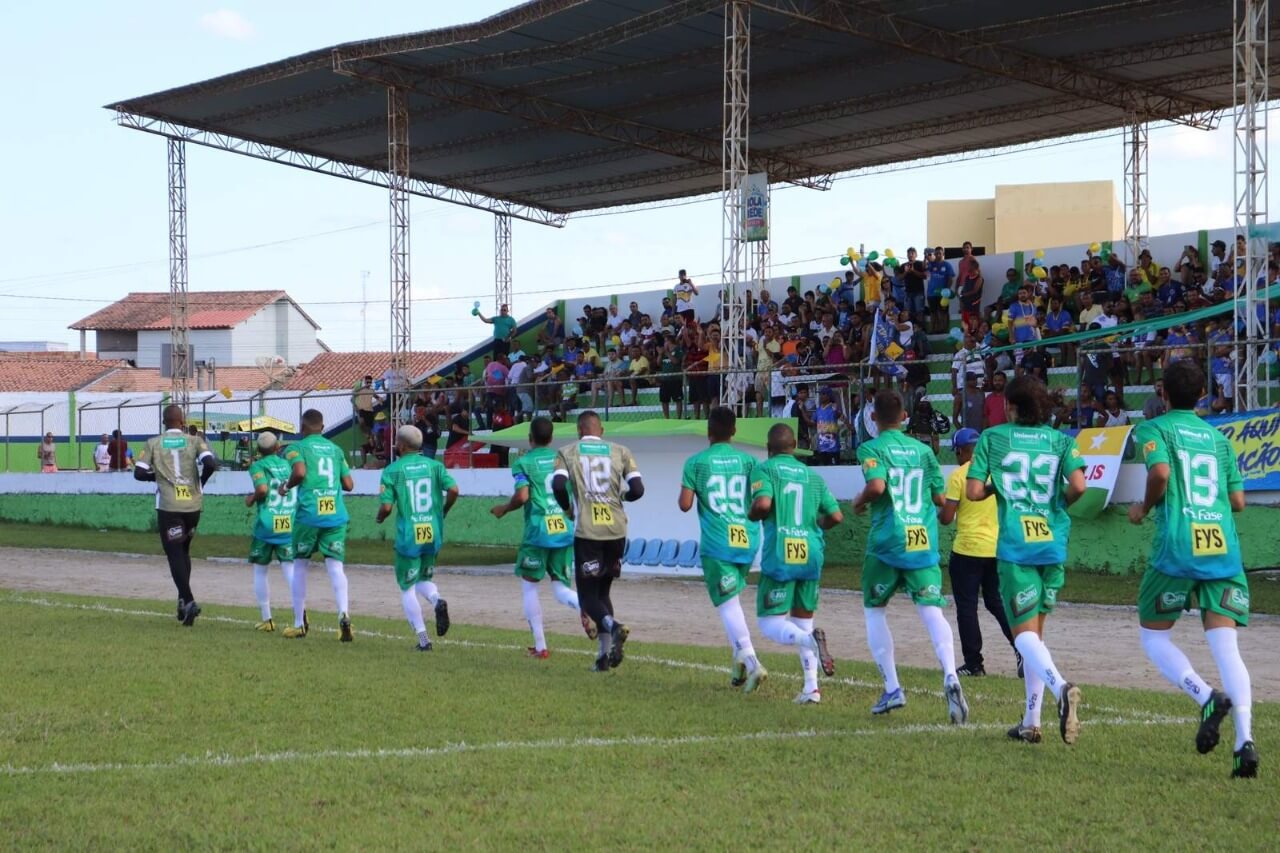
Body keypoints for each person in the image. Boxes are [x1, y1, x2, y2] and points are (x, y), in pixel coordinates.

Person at [1128, 360, 1258, 778]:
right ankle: (1244, 743)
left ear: (1161, 391)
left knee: (1153, 636)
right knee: (1227, 649)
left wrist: (1144, 507)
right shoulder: (1219, 440)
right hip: (1220, 547)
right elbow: (1237, 503)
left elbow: (1162, 473)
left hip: (1178, 549)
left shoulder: (1154, 428)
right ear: (1201, 395)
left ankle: (1204, 695)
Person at [967, 376, 1087, 745]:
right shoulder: (1062, 441)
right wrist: (1057, 505)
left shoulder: (993, 437)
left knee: (1023, 637)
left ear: (1013, 407)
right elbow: (1080, 485)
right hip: (1051, 543)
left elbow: (973, 492)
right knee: (1035, 635)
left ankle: (1061, 688)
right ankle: (1030, 721)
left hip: (1017, 546)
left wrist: (993, 487)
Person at [851, 390, 968, 723]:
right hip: (922, 539)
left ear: (873, 418)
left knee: (875, 612)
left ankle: (892, 687)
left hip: (888, 541)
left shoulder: (870, 448)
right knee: (932, 612)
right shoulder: (925, 451)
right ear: (904, 417)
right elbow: (939, 498)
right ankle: (950, 675)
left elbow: (876, 487)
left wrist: (858, 503)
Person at [747, 423, 842, 704]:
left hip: (782, 552)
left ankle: (809, 641)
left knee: (769, 622)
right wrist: (816, 525)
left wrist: (752, 515)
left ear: (768, 448)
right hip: (811, 552)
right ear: (793, 448)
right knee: (804, 620)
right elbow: (836, 517)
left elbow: (763, 505)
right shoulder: (813, 477)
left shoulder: (765, 469)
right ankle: (811, 688)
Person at [678, 407, 767, 692]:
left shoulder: (696, 463)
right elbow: (760, 497)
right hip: (747, 539)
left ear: (708, 431)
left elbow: (685, 504)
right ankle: (738, 662)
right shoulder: (750, 462)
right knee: (734, 599)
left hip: (718, 542)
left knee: (729, 604)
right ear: (735, 431)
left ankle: (752, 663)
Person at [552, 411, 644, 671]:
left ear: (579, 431)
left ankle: (614, 627)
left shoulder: (567, 452)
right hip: (616, 530)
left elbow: (558, 485)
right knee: (603, 592)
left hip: (589, 532)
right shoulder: (621, 451)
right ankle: (603, 658)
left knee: (587, 596)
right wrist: (621, 499)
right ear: (600, 430)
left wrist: (568, 509)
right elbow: (638, 490)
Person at [490, 417, 585, 658]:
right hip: (563, 530)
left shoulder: (523, 463)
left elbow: (522, 496)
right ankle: (590, 609)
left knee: (530, 588)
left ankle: (541, 646)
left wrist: (504, 507)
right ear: (551, 438)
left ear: (530, 438)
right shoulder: (562, 459)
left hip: (538, 532)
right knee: (561, 589)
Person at [940, 428, 1016, 677]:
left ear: (961, 450)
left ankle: (974, 663)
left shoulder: (959, 476)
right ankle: (1023, 650)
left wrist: (941, 507)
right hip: (995, 548)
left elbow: (947, 518)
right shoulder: (996, 474)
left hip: (967, 549)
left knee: (967, 607)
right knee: (996, 601)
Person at [133, 405, 218, 626]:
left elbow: (139, 473)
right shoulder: (195, 440)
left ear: (164, 422)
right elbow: (211, 463)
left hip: (170, 507)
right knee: (184, 551)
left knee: (174, 554)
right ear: (182, 421)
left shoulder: (153, 443)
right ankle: (182, 601)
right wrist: (200, 483)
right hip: (193, 506)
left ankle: (189, 600)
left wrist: (158, 477)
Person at [376, 425, 456, 651]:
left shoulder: (393, 470)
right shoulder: (435, 466)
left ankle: (423, 640)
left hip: (409, 534)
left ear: (400, 445)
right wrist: (444, 511)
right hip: (432, 531)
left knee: (407, 587)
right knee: (423, 578)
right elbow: (455, 490)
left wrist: (380, 517)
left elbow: (387, 506)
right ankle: (437, 600)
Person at [280, 409, 355, 641]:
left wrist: (285, 487)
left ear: (302, 428)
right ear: (322, 428)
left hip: (309, 515)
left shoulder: (296, 448)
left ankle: (298, 623)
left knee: (300, 566)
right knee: (335, 567)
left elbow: (300, 472)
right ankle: (344, 615)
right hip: (334, 514)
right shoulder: (336, 450)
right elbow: (349, 484)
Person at [244, 432, 297, 632]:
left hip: (267, 524)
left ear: (258, 451)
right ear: (278, 447)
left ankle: (267, 619)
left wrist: (250, 499)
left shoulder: (257, 466)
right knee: (289, 570)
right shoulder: (289, 465)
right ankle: (300, 614)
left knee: (260, 570)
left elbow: (263, 489)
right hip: (289, 521)